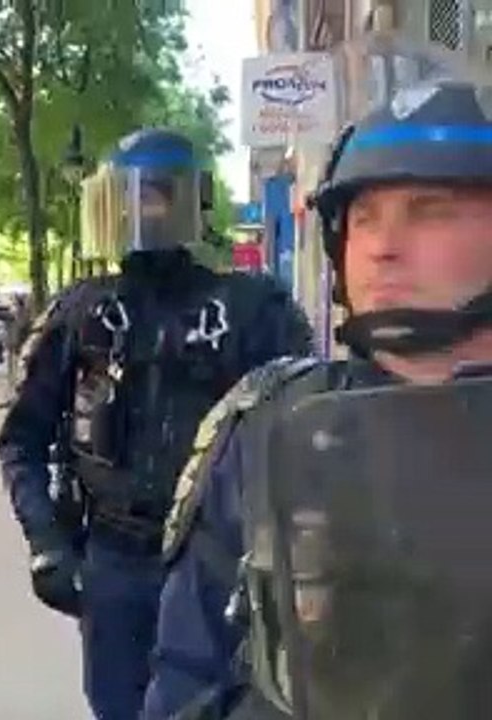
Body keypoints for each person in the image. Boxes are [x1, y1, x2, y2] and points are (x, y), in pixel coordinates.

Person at [143, 39, 492, 719]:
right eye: (363, 219)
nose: (383, 246)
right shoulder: (267, 427)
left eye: (429, 210)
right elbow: (186, 681)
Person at [0, 128, 313, 720]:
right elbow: (23, 437)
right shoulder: (83, 313)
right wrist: (46, 542)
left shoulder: (251, 310)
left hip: (220, 564)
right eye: (134, 198)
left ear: (192, 201)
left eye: (161, 195)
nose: (148, 212)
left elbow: (302, 431)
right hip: (115, 558)